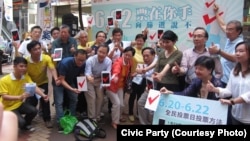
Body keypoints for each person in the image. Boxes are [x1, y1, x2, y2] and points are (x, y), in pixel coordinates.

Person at [0, 57, 49, 131]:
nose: (23, 68)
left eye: (25, 66)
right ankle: (10, 122)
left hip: (18, 104)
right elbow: (4, 96)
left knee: (33, 111)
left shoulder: (25, 77)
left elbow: (34, 86)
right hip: (7, 107)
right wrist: (19, 97)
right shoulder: (4, 80)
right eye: (21, 66)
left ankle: (25, 124)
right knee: (21, 122)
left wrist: (43, 95)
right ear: (14, 67)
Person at [207, 41, 250, 125]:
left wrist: (233, 101)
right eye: (236, 51)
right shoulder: (235, 71)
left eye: (241, 51)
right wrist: (215, 89)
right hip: (235, 116)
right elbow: (229, 91)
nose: (237, 53)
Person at [25, 40, 60, 128]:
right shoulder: (26, 60)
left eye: (39, 48)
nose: (38, 51)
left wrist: (56, 78)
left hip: (43, 82)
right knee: (31, 102)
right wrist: (33, 85)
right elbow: (26, 75)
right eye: (35, 49)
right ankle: (27, 121)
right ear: (30, 51)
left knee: (45, 100)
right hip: (31, 84)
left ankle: (47, 119)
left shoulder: (45, 58)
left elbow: (52, 68)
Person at [53, 49, 88, 133]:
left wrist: (82, 87)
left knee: (74, 98)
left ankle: (72, 117)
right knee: (59, 102)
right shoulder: (65, 63)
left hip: (70, 80)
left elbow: (81, 75)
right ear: (74, 56)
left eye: (83, 60)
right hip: (59, 81)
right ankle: (60, 122)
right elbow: (61, 80)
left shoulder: (83, 63)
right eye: (79, 60)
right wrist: (72, 89)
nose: (81, 62)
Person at [106, 46, 135, 129]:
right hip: (111, 86)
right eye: (126, 55)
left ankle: (118, 116)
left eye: (129, 55)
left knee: (122, 105)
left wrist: (132, 75)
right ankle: (115, 121)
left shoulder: (130, 62)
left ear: (132, 56)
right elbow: (116, 69)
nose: (127, 57)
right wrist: (115, 76)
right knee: (117, 103)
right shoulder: (118, 62)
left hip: (120, 86)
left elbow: (128, 72)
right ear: (123, 53)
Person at [84, 44, 112, 121]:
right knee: (92, 98)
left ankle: (97, 115)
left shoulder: (108, 61)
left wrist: (104, 84)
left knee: (100, 98)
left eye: (104, 53)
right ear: (97, 51)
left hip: (101, 80)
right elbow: (87, 72)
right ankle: (92, 117)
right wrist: (89, 77)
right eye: (100, 51)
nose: (101, 54)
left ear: (107, 54)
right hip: (90, 79)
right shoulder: (90, 60)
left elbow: (107, 73)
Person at [128, 33, 146, 122]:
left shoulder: (145, 51)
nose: (139, 42)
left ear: (144, 42)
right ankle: (130, 113)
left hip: (143, 77)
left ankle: (138, 113)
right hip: (133, 77)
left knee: (140, 96)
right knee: (132, 96)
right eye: (137, 40)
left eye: (141, 41)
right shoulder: (132, 50)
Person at [137, 47, 157, 125]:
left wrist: (142, 72)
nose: (145, 58)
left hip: (156, 90)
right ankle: (144, 123)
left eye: (147, 56)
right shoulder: (144, 65)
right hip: (148, 89)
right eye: (144, 56)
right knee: (140, 103)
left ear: (153, 55)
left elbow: (149, 74)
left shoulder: (157, 63)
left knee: (151, 111)